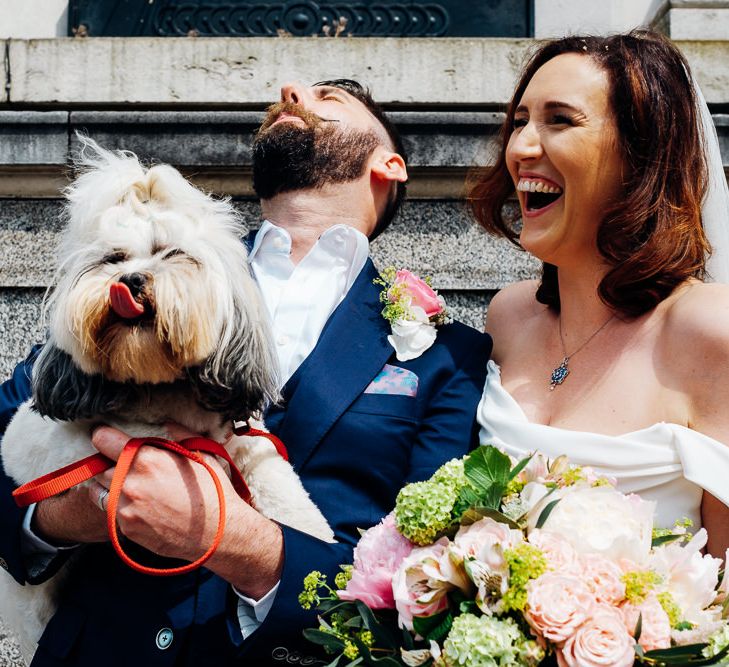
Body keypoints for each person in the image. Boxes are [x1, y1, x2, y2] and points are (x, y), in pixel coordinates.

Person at [0, 79, 491, 665]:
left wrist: (244, 547)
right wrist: (67, 514)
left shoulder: (449, 354)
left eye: (329, 97)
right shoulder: (145, 260)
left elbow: (431, 571)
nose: (291, 90)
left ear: (391, 163)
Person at [468, 31, 729, 559]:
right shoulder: (509, 318)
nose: (520, 148)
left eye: (559, 120)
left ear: (642, 155)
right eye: (519, 122)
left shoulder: (709, 330)